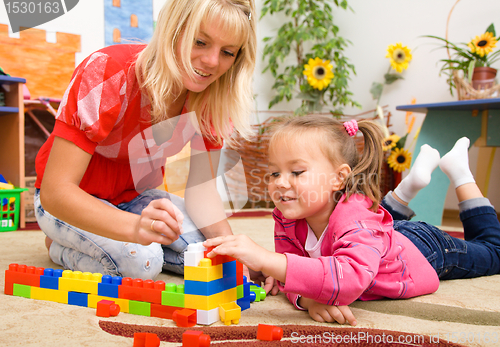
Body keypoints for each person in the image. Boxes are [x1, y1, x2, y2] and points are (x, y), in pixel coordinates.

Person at [204, 115, 500, 326]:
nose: (281, 183)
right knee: (364, 225)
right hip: (374, 238)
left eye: (296, 172)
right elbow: (293, 275)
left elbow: (349, 279)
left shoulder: (355, 218)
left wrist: (266, 259)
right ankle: (407, 189)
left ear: (339, 178)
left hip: (422, 249)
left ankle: (460, 172)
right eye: (274, 173)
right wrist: (308, 299)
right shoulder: (287, 216)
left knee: (493, 251)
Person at [34, 0, 257, 280]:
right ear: (172, 31)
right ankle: (59, 245)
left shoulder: (214, 99)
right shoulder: (108, 71)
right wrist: (134, 229)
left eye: (227, 52)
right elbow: (56, 192)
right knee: (142, 263)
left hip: (137, 198)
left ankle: (103, 244)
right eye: (200, 42)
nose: (212, 61)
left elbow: (202, 193)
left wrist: (235, 254)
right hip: (73, 201)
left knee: (210, 260)